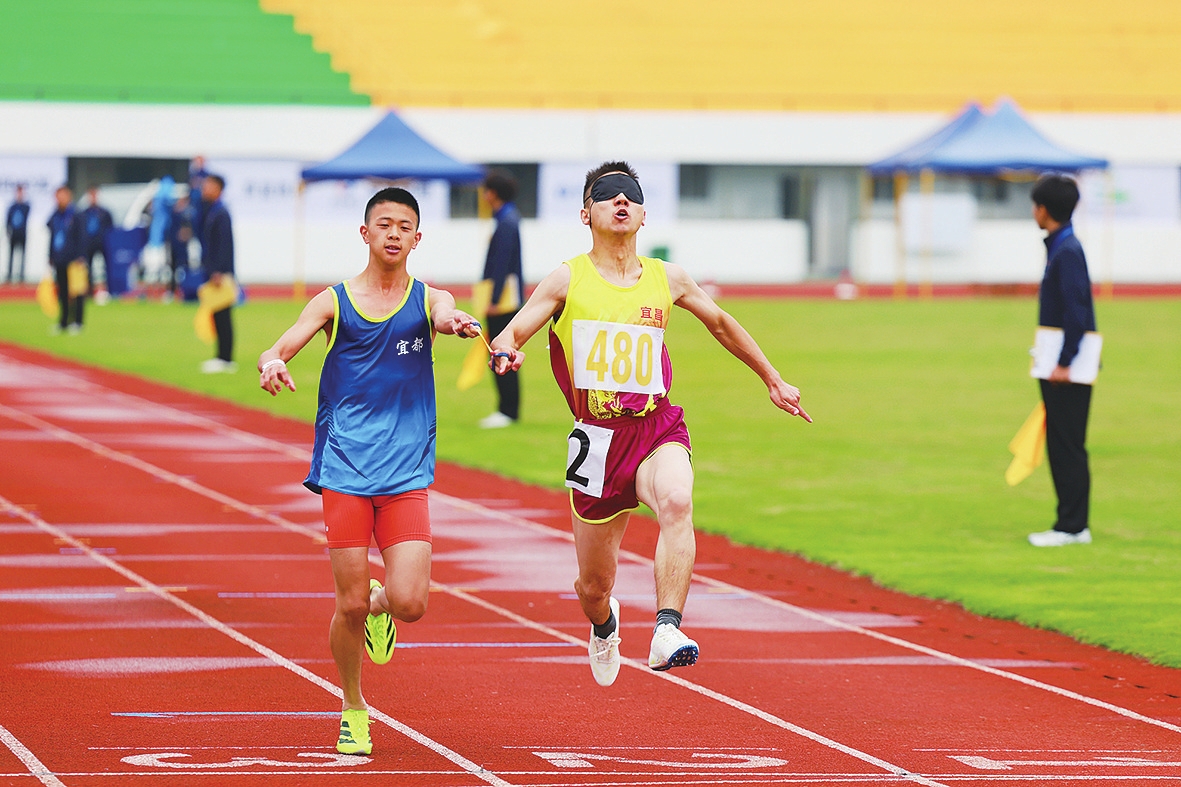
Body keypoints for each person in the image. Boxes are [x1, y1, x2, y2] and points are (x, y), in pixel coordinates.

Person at [488, 162, 811, 687]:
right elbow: (514, 330)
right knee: (594, 586)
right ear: (586, 213)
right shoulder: (568, 278)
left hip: (655, 426)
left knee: (677, 501)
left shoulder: (668, 278)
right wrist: (506, 350)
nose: (621, 201)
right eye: (608, 193)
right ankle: (604, 624)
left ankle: (666, 629)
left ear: (643, 215)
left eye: (631, 195)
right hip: (597, 441)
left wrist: (772, 379)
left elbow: (721, 323)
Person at [257, 187, 479, 755]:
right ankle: (353, 706)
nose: (394, 233)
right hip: (345, 469)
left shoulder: (429, 299)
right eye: (384, 224)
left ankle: (383, 607)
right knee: (348, 603)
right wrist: (273, 363)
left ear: (417, 238)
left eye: (405, 226)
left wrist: (453, 322)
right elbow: (279, 346)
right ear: (365, 233)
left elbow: (444, 313)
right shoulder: (333, 302)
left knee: (410, 603)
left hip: (405, 472)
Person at [1027, 174, 1097, 547]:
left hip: (1068, 367)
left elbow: (1077, 311)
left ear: (1044, 209)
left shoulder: (1067, 251)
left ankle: (1071, 527)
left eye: (1034, 206)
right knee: (1062, 442)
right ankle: (1070, 523)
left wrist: (1065, 361)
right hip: (1059, 361)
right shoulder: (1061, 246)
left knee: (1066, 444)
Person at [478, 169, 525, 428]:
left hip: (504, 300)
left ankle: (507, 410)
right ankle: (507, 409)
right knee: (502, 349)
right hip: (506, 296)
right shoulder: (507, 218)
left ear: (492, 194)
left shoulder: (506, 221)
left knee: (501, 349)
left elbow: (502, 264)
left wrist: (494, 300)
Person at [200, 174, 236, 373]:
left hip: (220, 274)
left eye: (208, 186)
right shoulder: (212, 210)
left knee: (223, 315)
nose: (204, 189)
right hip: (216, 271)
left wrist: (219, 271)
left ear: (218, 188)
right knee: (217, 314)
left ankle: (226, 358)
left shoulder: (221, 213)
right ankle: (221, 356)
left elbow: (224, 245)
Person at [47, 185, 84, 334]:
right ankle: (63, 322)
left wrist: (81, 256)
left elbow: (82, 237)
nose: (59, 199)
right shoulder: (55, 215)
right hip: (59, 258)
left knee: (76, 292)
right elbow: (52, 236)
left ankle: (78, 322)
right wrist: (50, 256)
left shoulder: (76, 214)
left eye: (62, 196)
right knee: (62, 292)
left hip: (74, 259)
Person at [77, 186, 114, 296]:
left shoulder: (104, 212)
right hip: (89, 244)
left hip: (102, 243)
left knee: (107, 266)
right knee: (87, 267)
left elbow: (111, 229)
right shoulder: (84, 213)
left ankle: (110, 289)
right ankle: (89, 291)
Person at [167, 193, 195, 301]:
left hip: (182, 246)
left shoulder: (187, 214)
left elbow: (188, 230)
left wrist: (185, 236)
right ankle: (173, 290)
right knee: (173, 268)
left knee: (185, 267)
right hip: (174, 244)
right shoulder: (174, 213)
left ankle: (186, 289)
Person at [5, 184, 30, 284]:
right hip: (14, 234)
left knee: (22, 255)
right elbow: (8, 221)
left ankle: (21, 275)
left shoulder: (25, 206)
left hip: (22, 234)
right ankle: (9, 274)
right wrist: (8, 231)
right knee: (11, 255)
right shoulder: (12, 207)